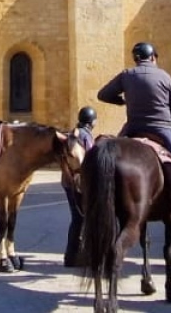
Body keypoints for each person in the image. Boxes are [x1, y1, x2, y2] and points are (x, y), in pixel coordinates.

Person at [96, 42, 171, 166]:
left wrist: (122, 101)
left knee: (111, 158)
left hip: (133, 127)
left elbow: (102, 95)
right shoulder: (164, 76)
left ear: (135, 59)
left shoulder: (126, 74)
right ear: (152, 57)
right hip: (162, 128)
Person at [62, 106, 98, 267]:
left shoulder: (74, 133)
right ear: (92, 122)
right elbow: (91, 157)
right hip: (78, 182)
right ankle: (72, 256)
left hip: (68, 181)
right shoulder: (85, 136)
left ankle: (73, 255)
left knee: (78, 218)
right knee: (80, 218)